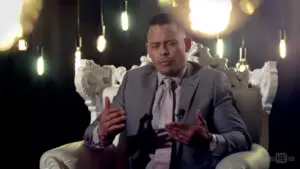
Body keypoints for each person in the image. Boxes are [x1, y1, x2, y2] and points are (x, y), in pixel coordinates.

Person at [83, 13, 252, 169]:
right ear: (148, 50)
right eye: (156, 46)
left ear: (186, 44)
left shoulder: (212, 82)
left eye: (170, 44)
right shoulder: (133, 81)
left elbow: (241, 138)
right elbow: (91, 134)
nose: (163, 52)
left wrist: (210, 141)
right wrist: (102, 132)